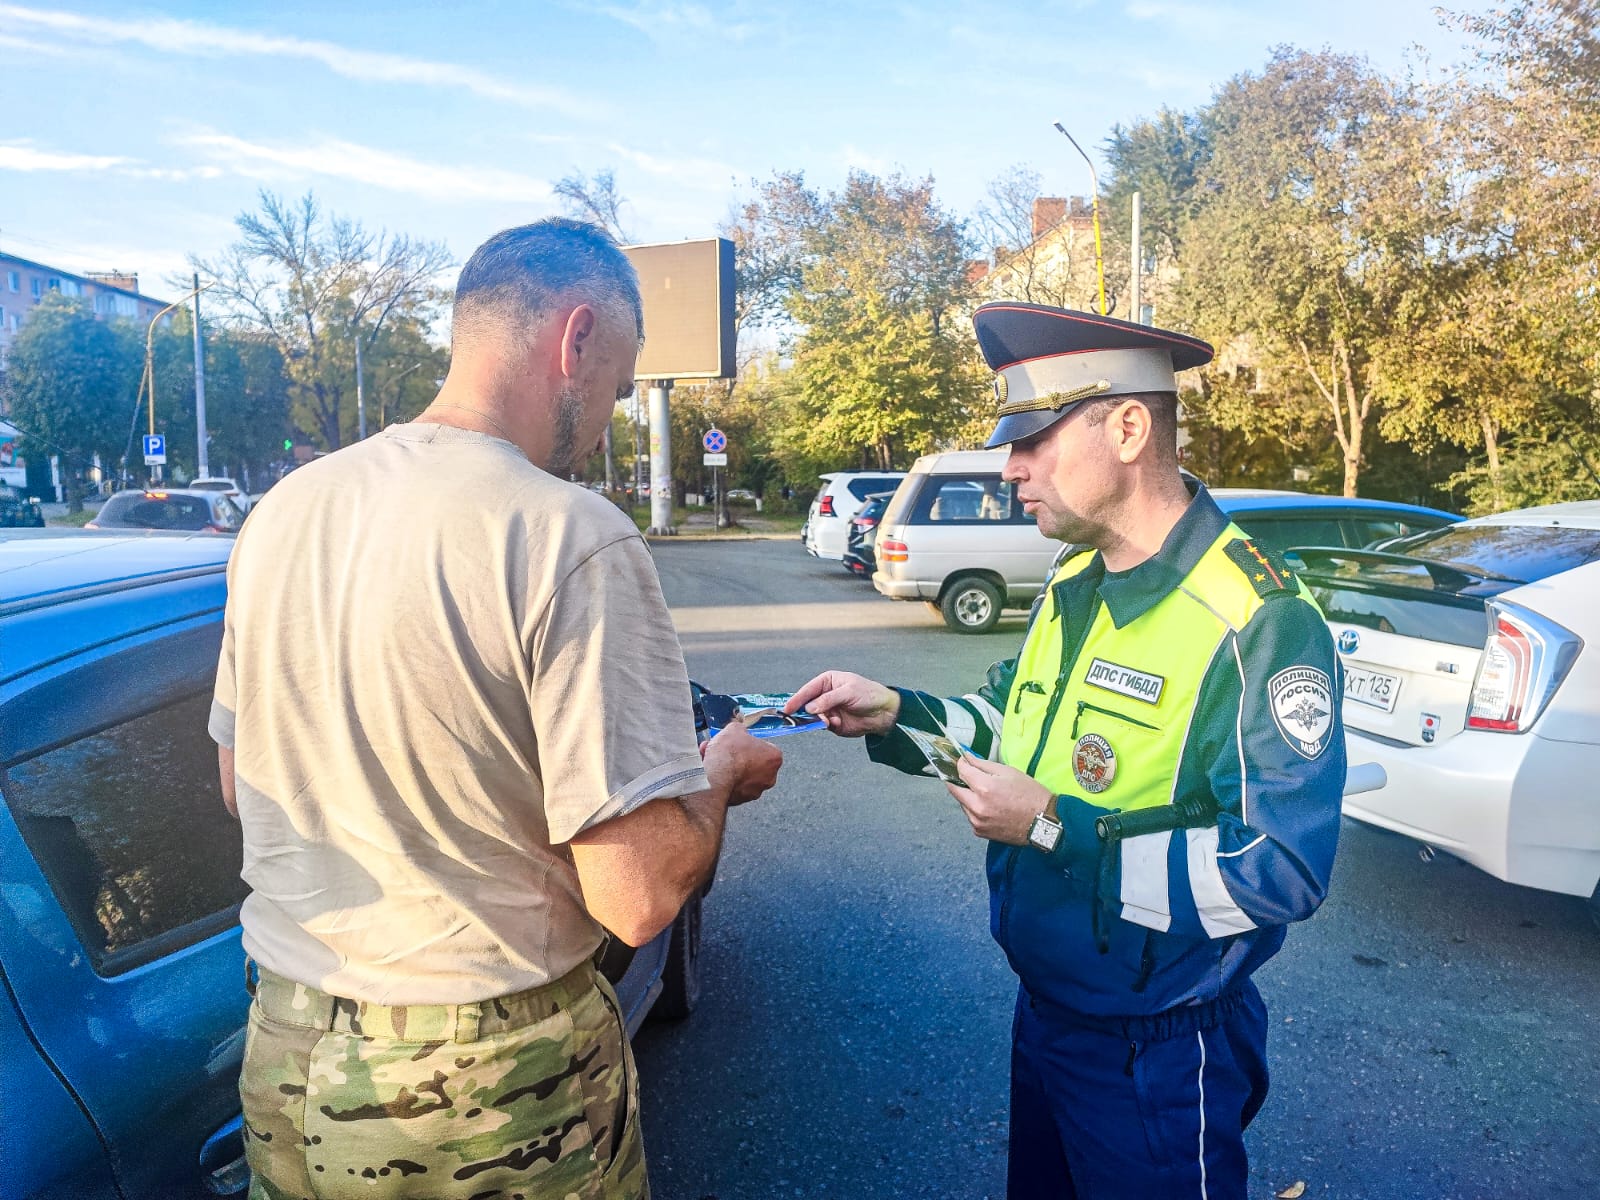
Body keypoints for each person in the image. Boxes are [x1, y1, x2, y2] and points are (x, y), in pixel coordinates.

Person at [212, 218, 782, 1200]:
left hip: (287, 1052)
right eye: (615, 380)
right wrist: (720, 774)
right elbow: (636, 899)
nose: (606, 415)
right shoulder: (568, 535)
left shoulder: (285, 512)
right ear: (576, 340)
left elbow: (238, 783)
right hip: (484, 1090)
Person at [788, 303, 1345, 1200]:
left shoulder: (1258, 619)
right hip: (1049, 1013)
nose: (1010, 467)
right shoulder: (1075, 579)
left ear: (1128, 428)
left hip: (1159, 1044)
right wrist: (897, 716)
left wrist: (1055, 830)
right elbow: (1008, 725)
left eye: (1034, 439)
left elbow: (1279, 868)